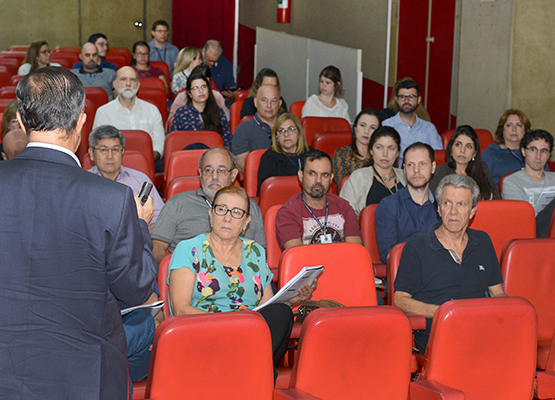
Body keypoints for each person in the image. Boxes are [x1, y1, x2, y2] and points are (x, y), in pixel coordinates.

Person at [0, 66, 158, 399]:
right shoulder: (110, 198)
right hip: (85, 377)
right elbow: (136, 287)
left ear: (23, 123)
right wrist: (140, 223)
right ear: (81, 122)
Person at [168, 185, 316, 381]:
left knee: (282, 313)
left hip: (250, 334)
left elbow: (267, 306)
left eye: (236, 212)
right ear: (211, 214)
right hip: (205, 331)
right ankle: (252, 374)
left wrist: (290, 300)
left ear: (246, 222)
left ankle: (243, 370)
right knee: (259, 358)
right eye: (221, 209)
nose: (227, 218)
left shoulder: (255, 252)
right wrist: (230, 324)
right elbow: (180, 309)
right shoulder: (188, 249)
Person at [394, 174, 506, 353]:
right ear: (438, 209)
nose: (453, 211)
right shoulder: (417, 245)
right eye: (447, 203)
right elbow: (400, 300)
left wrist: (499, 316)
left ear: (472, 211)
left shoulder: (483, 241)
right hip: (439, 335)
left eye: (461, 204)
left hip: (480, 332)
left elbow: (498, 293)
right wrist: (445, 313)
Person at [151, 147, 267, 262]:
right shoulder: (177, 203)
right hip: (190, 273)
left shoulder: (249, 206)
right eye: (208, 170)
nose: (214, 177)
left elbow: (260, 252)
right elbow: (157, 245)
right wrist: (170, 272)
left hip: (239, 275)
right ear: (200, 173)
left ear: (233, 174)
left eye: (221, 170)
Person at [276, 149, 362, 250]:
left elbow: (355, 251)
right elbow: (298, 257)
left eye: (325, 175)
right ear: (301, 176)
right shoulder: (288, 213)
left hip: (342, 264)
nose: (318, 181)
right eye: (312, 174)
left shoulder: (344, 207)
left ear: (331, 179)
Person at [375, 142, 440, 263]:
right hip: (406, 275)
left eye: (423, 164)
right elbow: (388, 255)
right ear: (404, 169)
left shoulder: (442, 206)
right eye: (410, 165)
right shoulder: (389, 205)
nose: (416, 170)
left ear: (433, 167)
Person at [87, 125, 164, 226]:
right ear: (91, 153)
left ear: (122, 152)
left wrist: (145, 235)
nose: (110, 156)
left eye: (115, 149)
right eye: (103, 150)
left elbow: (160, 218)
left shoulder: (141, 180)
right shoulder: (83, 182)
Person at [93, 66, 165, 165]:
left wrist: (147, 158)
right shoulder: (103, 112)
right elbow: (99, 145)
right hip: (113, 164)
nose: (128, 84)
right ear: (115, 84)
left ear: (138, 85)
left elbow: (159, 142)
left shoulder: (152, 110)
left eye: (132, 79)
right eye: (123, 79)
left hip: (149, 162)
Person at [340, 126, 406, 215]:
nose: (385, 154)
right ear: (371, 150)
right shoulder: (358, 177)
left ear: (397, 152)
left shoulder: (406, 176)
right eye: (379, 147)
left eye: (391, 148)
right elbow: (345, 216)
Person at [502, 129, 555, 237]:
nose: (538, 156)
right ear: (523, 151)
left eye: (544, 151)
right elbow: (521, 221)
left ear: (549, 154)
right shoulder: (512, 182)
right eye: (533, 150)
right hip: (532, 235)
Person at [430, 125, 500, 200]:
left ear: (474, 153)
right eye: (458, 145)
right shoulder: (438, 172)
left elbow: (497, 201)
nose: (462, 150)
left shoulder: (483, 168)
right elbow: (433, 205)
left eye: (469, 146)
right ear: (451, 148)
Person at [382, 79, 442, 164]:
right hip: (395, 175)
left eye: (411, 97)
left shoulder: (429, 128)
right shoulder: (387, 126)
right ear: (396, 99)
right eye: (402, 97)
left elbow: (437, 157)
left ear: (418, 100)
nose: (406, 101)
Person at [169, 67, 232, 147]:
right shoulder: (181, 113)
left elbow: (228, 142)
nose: (201, 91)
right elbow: (173, 143)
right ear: (189, 93)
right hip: (190, 155)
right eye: (195, 88)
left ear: (209, 90)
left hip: (214, 156)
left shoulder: (218, 113)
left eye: (204, 87)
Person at [257, 113, 313, 196]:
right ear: (276, 136)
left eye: (291, 129)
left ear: (299, 133)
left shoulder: (312, 155)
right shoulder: (268, 158)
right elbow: (264, 193)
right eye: (281, 130)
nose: (286, 134)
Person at [232, 84, 282, 172]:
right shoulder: (243, 129)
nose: (269, 105)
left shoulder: (289, 127)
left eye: (273, 101)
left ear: (279, 104)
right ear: (255, 102)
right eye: (264, 100)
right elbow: (242, 165)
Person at [482, 109, 537, 184]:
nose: (514, 129)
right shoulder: (491, 153)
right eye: (509, 125)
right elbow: (481, 183)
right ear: (502, 130)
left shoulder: (536, 153)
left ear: (525, 130)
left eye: (519, 125)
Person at [332, 108, 381, 189]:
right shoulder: (342, 153)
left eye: (372, 128)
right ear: (355, 128)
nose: (366, 131)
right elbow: (343, 187)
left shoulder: (381, 154)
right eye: (362, 125)